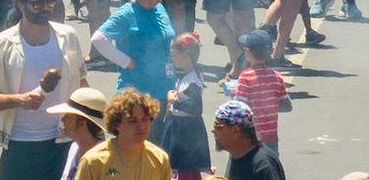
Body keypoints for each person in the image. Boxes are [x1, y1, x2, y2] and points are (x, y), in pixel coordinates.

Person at [0, 0, 87, 180]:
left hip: (61, 141)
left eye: (50, 2)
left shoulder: (68, 36)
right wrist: (19, 100)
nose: (46, 8)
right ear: (20, 4)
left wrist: (89, 135)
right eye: (38, 3)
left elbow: (82, 85)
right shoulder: (1, 43)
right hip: (18, 144)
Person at [92, 0, 176, 101]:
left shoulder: (159, 7)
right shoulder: (126, 14)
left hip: (165, 88)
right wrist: (126, 62)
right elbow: (98, 39)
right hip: (137, 93)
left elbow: (166, 35)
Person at [73, 88, 170, 180]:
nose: (141, 126)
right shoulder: (94, 160)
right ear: (116, 124)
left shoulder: (160, 158)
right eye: (132, 121)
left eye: (145, 119)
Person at [156, 34, 210, 180]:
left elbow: (196, 108)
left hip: (186, 130)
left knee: (184, 166)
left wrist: (175, 101)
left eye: (174, 54)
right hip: (178, 125)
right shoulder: (186, 75)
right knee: (181, 166)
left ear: (185, 55)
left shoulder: (193, 80)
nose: (172, 58)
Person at [212, 99, 286, 180]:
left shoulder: (263, 167)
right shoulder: (237, 156)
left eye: (217, 126)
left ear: (235, 131)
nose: (213, 131)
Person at [47, 88, 110, 180]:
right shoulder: (74, 148)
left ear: (82, 122)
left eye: (68, 116)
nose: (63, 119)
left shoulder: (103, 158)